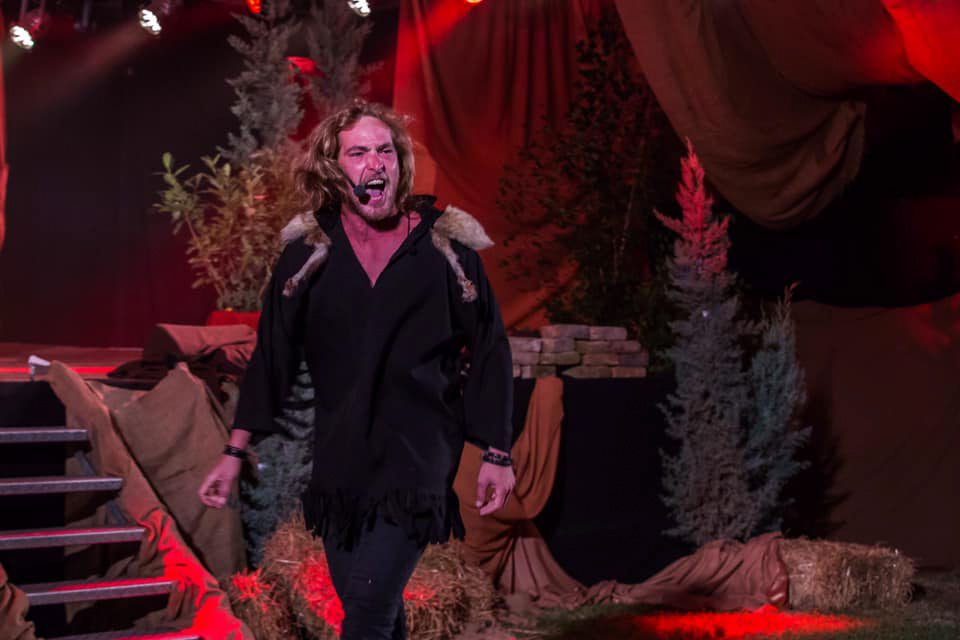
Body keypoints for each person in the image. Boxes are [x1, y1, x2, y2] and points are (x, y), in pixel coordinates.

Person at [199, 99, 516, 639]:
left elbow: (490, 347)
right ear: (333, 168)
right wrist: (234, 450)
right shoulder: (309, 255)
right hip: (342, 462)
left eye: (386, 151)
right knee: (372, 609)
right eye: (360, 153)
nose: (376, 163)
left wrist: (497, 452)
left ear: (400, 163)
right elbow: (273, 354)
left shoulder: (445, 249)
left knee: (367, 612)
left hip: (416, 458)